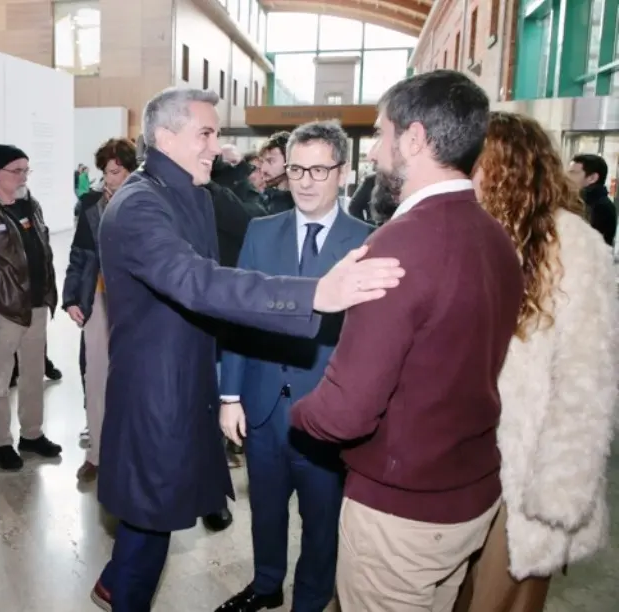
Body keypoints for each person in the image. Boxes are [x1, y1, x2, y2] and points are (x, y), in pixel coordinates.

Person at [91, 86, 405, 612]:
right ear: (166, 138)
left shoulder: (186, 192)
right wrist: (315, 295)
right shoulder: (141, 205)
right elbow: (201, 283)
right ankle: (121, 591)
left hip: (184, 392)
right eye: (206, 133)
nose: (216, 145)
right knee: (151, 520)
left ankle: (117, 581)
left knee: (155, 521)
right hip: (156, 399)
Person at [289, 70, 524, 611]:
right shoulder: (495, 237)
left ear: (414, 140)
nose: (374, 152)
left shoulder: (396, 245)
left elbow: (347, 413)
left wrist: (299, 415)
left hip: (402, 513)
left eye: (380, 134)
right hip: (471, 496)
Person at [452, 112, 618, 612]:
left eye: (475, 161)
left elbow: (587, 376)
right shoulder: (466, 233)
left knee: (503, 594)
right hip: (459, 454)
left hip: (527, 468)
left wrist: (561, 487)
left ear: (508, 167)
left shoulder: (574, 245)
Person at [217, 120, 372, 612]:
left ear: (342, 172)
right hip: (262, 406)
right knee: (265, 512)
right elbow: (238, 316)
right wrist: (229, 395)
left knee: (322, 519)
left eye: (319, 170)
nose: (306, 181)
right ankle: (266, 586)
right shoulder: (262, 232)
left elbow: (372, 341)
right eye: (297, 169)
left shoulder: (369, 241)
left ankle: (310, 600)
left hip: (328, 416)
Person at [0, 144, 61, 471]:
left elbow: (43, 249)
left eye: (26, 170)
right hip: (5, 309)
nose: (24, 176)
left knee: (33, 375)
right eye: (17, 170)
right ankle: (0, 443)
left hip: (37, 305)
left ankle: (32, 434)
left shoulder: (30, 204)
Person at [62, 137, 138, 482]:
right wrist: (72, 299)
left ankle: (133, 452)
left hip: (137, 304)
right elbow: (79, 255)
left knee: (135, 379)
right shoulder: (90, 203)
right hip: (98, 299)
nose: (111, 178)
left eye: (117, 171)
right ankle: (96, 453)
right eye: (107, 172)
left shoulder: (144, 200)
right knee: (95, 378)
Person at [567, 153, 617, 246]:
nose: (567, 177)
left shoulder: (601, 207)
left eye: (573, 173)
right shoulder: (577, 202)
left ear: (592, 178)